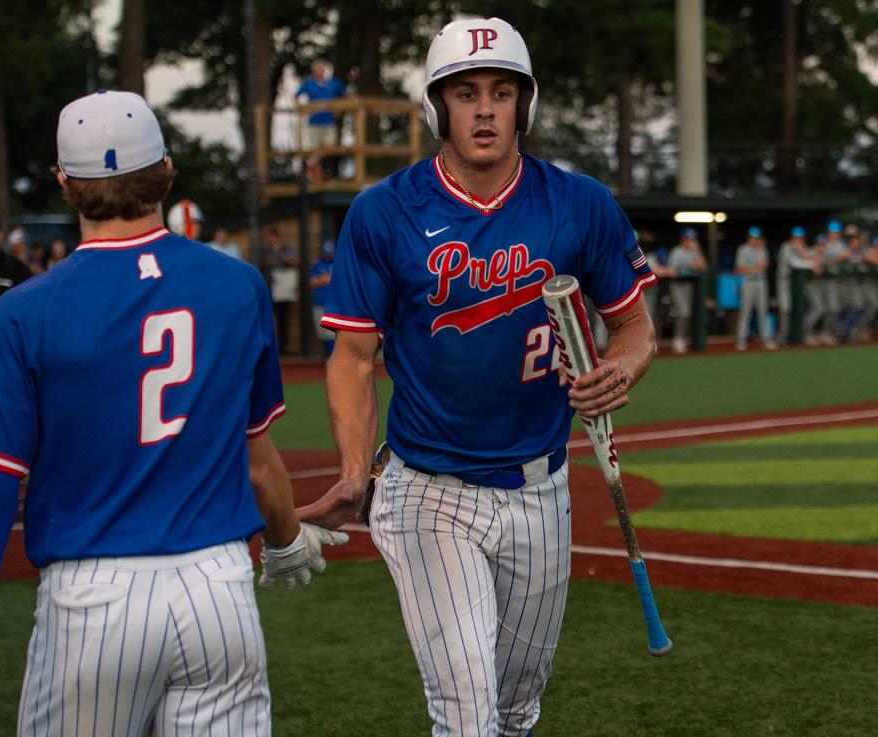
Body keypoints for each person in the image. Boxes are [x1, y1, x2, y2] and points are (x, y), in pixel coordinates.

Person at [0, 90, 345, 737]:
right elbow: (259, 463)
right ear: (166, 173)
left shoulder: (28, 308)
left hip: (94, 600)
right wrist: (284, 539)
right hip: (217, 592)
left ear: (64, 183)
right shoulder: (237, 286)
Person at [301, 18, 657, 737]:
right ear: (438, 107)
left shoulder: (579, 204)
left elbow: (635, 324)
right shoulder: (384, 213)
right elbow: (353, 357)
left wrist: (617, 370)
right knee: (468, 715)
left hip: (540, 487)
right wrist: (350, 471)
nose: (486, 109)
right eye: (465, 93)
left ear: (525, 104)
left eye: (501, 91)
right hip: (428, 488)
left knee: (516, 710)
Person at [296, 60, 346, 180]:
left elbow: (345, 95)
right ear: (314, 71)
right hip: (314, 121)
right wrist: (303, 110)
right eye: (319, 70)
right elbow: (297, 95)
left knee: (329, 146)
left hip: (328, 121)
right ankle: (316, 177)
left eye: (323, 69)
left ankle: (310, 163)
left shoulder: (333, 83)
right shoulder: (309, 83)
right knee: (315, 148)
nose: (321, 72)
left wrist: (339, 109)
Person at [734, 226, 777, 351]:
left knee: (763, 312)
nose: (755, 240)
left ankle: (766, 340)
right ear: (748, 238)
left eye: (757, 237)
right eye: (753, 237)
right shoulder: (743, 249)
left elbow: (764, 265)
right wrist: (755, 268)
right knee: (745, 312)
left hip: (761, 282)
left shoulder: (762, 249)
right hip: (748, 282)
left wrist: (761, 251)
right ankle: (741, 341)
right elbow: (740, 269)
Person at [668, 227, 707, 353]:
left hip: (690, 287)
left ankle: (683, 339)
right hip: (677, 286)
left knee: (688, 314)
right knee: (683, 313)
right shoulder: (676, 252)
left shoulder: (694, 252)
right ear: (682, 239)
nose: (690, 241)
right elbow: (672, 271)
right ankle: (678, 340)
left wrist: (696, 251)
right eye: (687, 239)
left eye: (692, 239)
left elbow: (703, 267)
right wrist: (689, 267)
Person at [262, 227, 300, 355]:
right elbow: (265, 262)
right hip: (270, 287)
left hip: (284, 289)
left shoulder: (286, 248)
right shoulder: (265, 250)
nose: (270, 240)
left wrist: (279, 254)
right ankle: (270, 347)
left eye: (272, 237)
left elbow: (294, 261)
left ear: (277, 237)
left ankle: (283, 348)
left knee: (283, 318)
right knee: (269, 318)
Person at [775, 226, 815, 344]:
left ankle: (793, 336)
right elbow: (795, 263)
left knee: (797, 309)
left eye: (800, 238)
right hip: (784, 281)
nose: (797, 240)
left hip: (796, 284)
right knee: (785, 309)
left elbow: (812, 256)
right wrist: (809, 260)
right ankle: (782, 336)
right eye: (795, 238)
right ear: (791, 238)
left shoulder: (801, 248)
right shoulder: (786, 247)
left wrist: (803, 252)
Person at [309, 240, 336, 359]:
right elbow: (312, 281)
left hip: (333, 304)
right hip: (319, 303)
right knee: (322, 333)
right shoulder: (318, 265)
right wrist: (326, 279)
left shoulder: (337, 264)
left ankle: (331, 358)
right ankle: (327, 357)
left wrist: (324, 279)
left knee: (332, 333)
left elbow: (338, 280)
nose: (328, 254)